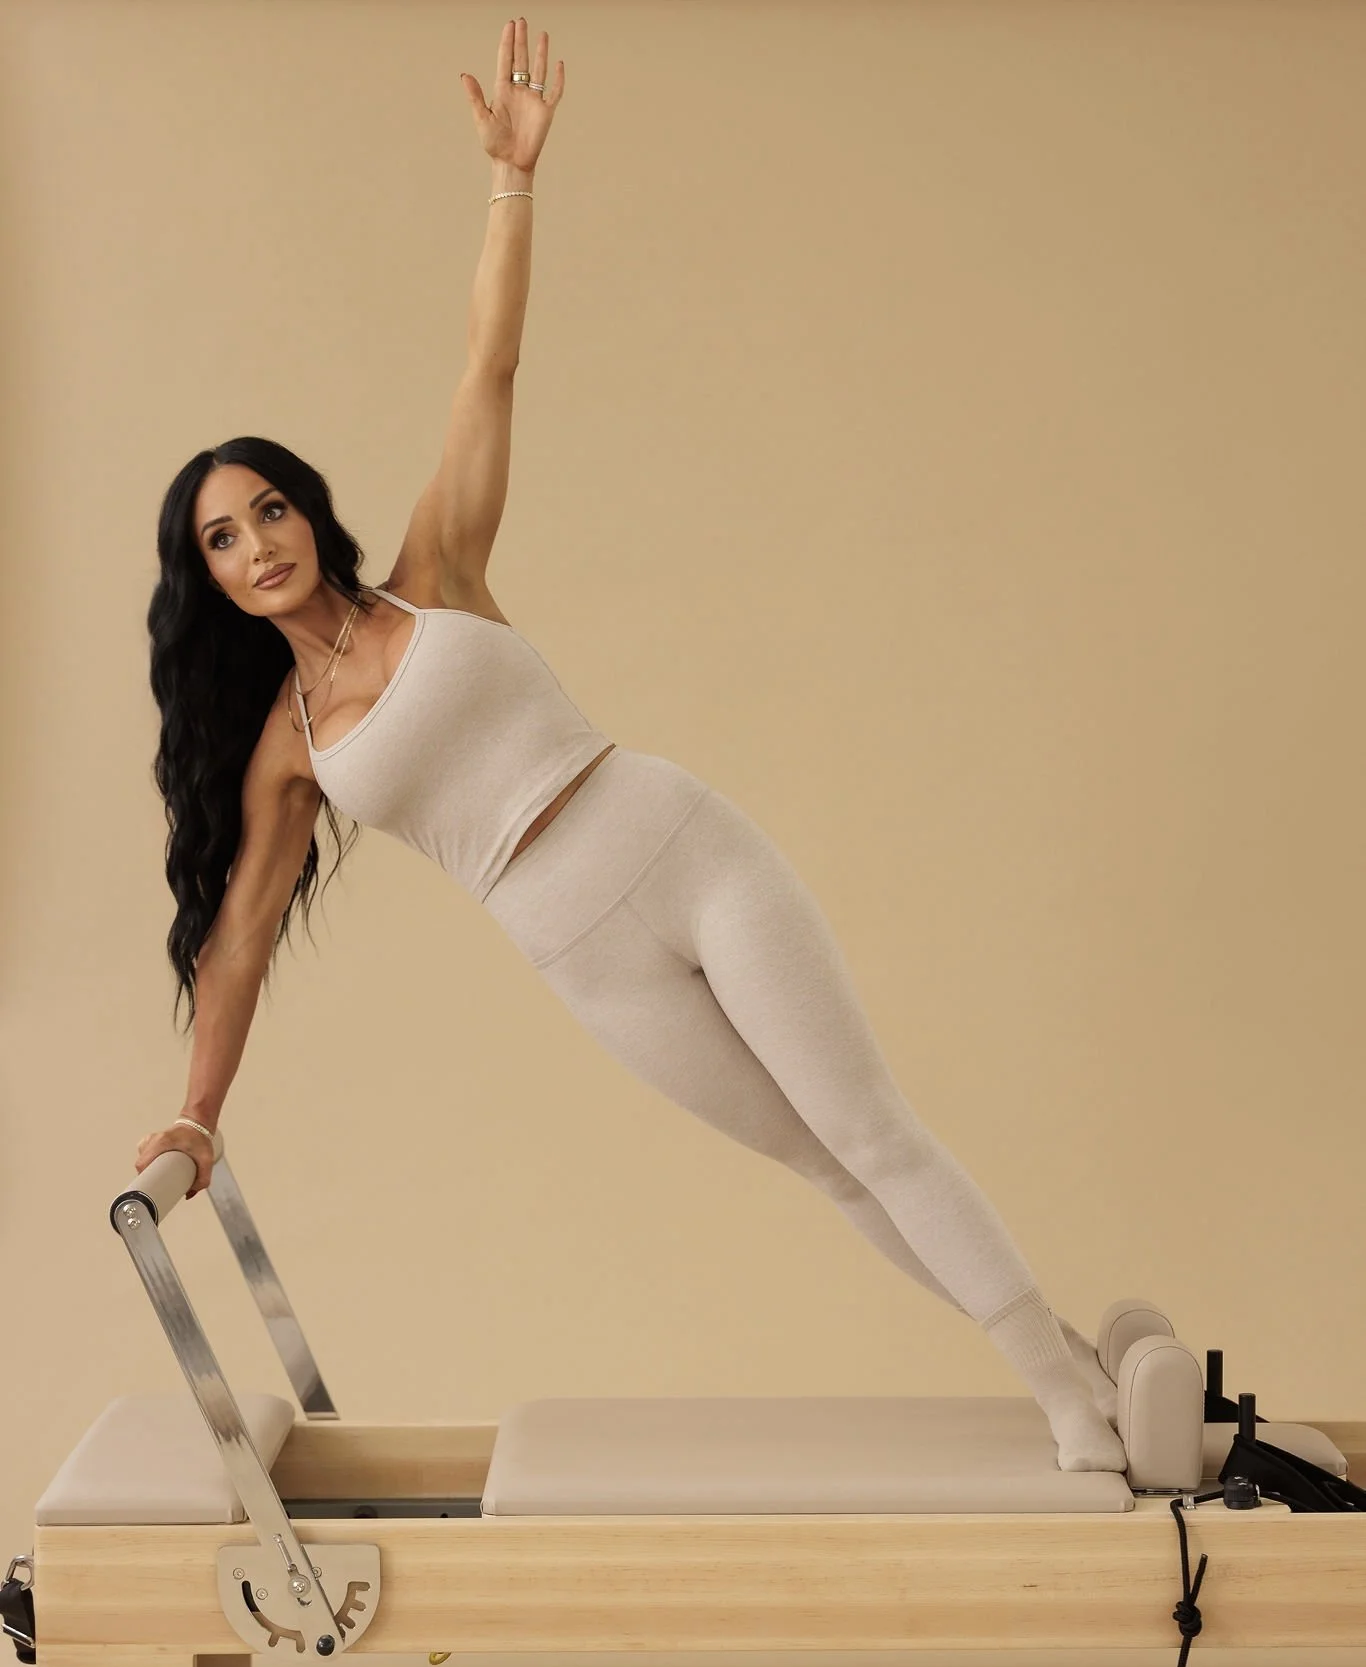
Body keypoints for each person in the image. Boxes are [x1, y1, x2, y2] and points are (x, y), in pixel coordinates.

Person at [132, 18, 1126, 1472]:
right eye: (222, 539)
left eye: (268, 509)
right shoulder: (285, 749)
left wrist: (511, 185)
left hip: (673, 842)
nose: (256, 544)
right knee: (822, 1168)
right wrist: (195, 1116)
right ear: (208, 579)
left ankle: (1070, 1400)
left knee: (871, 1125)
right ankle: (1067, 1362)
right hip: (578, 949)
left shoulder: (433, 571)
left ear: (306, 508)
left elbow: (491, 365)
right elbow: (237, 939)